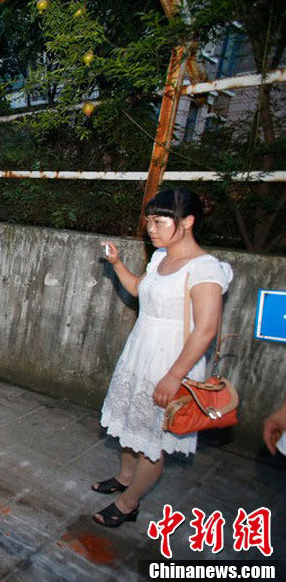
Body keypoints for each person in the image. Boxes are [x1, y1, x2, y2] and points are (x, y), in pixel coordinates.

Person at [92, 189, 233, 527]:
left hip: (172, 363)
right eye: (149, 221)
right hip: (140, 353)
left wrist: (174, 376)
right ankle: (125, 478)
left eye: (159, 222)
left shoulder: (205, 270)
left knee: (152, 443)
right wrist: (117, 263)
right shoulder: (160, 258)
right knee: (129, 423)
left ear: (187, 222)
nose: (150, 229)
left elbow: (206, 329)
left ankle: (129, 503)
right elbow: (139, 290)